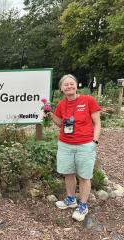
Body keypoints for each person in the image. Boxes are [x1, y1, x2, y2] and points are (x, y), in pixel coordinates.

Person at [48, 74, 101, 221]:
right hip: (65, 144)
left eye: (72, 83)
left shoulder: (88, 100)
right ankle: (71, 199)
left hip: (85, 145)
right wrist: (50, 114)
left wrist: (94, 141)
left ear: (76, 85)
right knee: (68, 173)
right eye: (66, 85)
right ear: (61, 88)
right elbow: (60, 123)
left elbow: (97, 122)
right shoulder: (61, 105)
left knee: (84, 176)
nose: (69, 86)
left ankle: (83, 205)